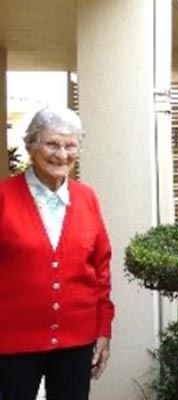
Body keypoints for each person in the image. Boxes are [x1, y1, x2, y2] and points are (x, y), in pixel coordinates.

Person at [0, 107, 114, 400]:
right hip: (11, 340)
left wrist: (103, 330)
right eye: (52, 144)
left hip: (76, 338)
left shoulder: (87, 197)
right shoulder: (4, 197)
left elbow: (101, 269)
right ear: (31, 146)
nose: (61, 155)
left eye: (70, 145)